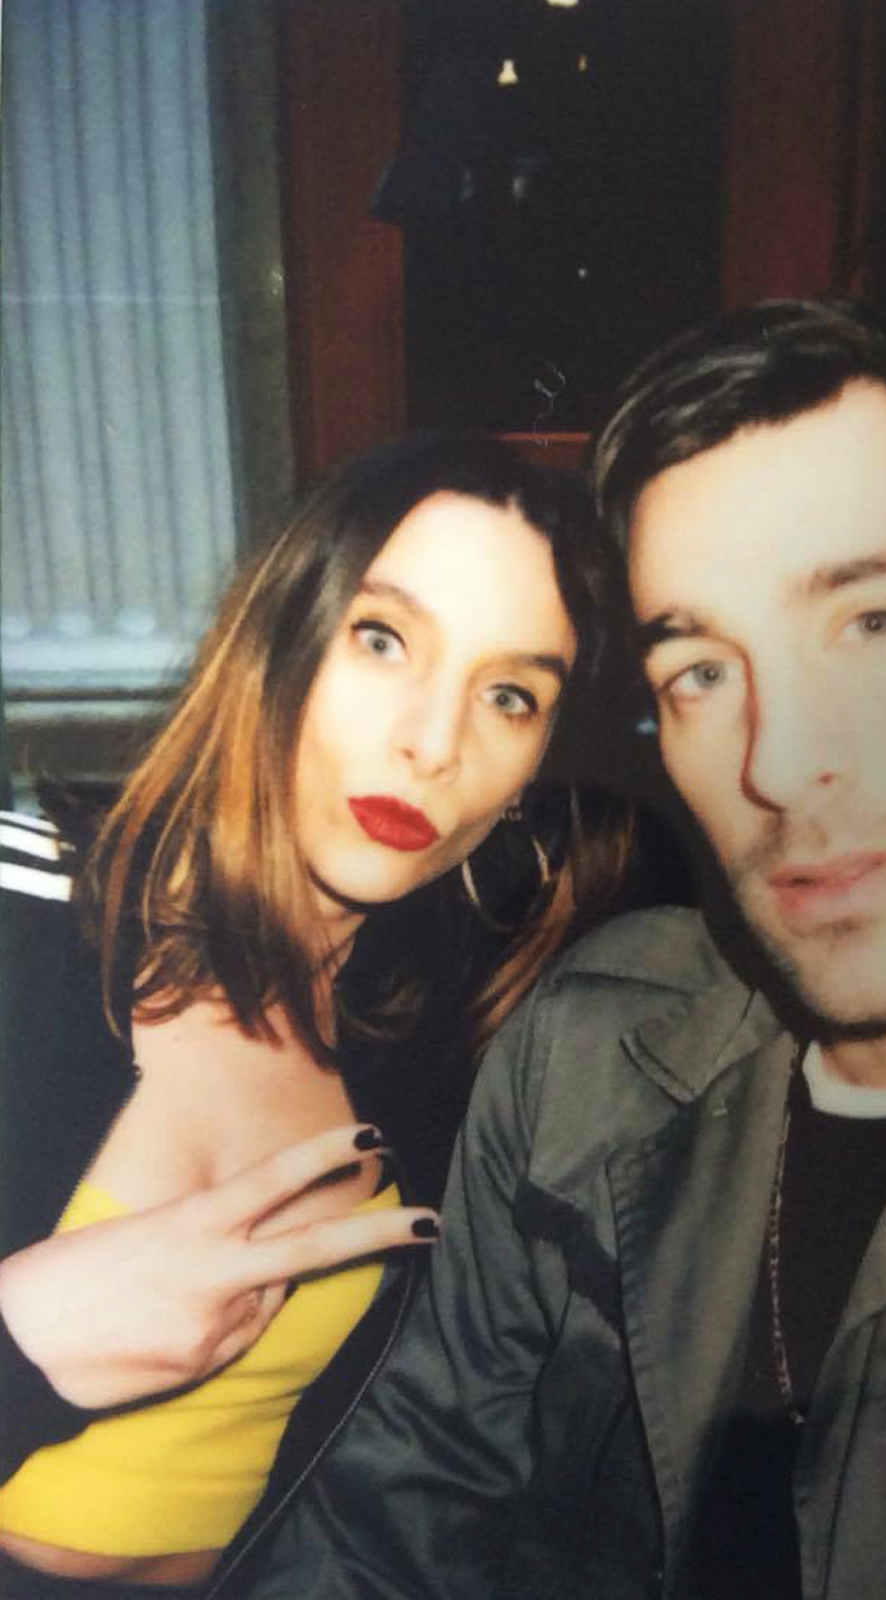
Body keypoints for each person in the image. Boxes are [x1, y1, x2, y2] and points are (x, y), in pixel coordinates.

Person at [237, 301, 886, 1600]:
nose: (777, 761)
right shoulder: (588, 1052)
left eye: (872, 623)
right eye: (699, 670)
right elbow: (402, 1519)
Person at [0, 433, 631, 1599]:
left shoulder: (464, 1048)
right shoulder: (22, 914)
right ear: (277, 637)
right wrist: (20, 1342)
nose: (432, 744)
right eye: (383, 639)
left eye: (508, 694)